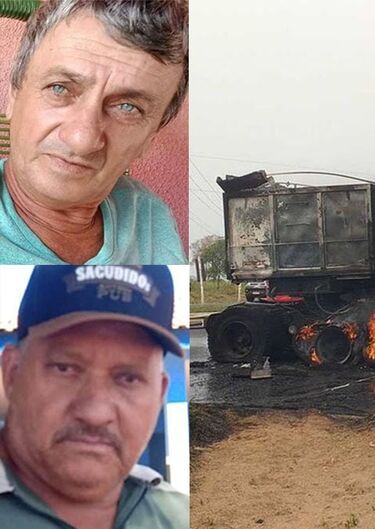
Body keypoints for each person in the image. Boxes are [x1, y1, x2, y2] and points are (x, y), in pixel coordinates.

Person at [0, 0, 187, 264]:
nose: (82, 140)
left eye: (127, 107)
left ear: (150, 136)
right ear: (14, 96)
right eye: (60, 88)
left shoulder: (148, 216)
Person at [0, 265, 188, 528]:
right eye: (65, 369)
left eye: (129, 378)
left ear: (160, 395)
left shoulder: (177, 516)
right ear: (12, 374)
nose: (95, 413)